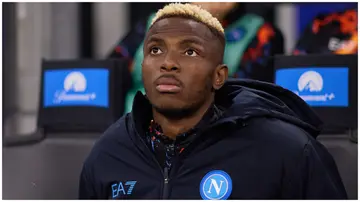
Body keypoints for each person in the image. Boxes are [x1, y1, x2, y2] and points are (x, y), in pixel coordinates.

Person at [79, 3, 347, 199]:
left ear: (220, 77)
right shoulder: (109, 152)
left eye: (190, 51)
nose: (168, 63)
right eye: (156, 50)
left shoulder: (288, 152)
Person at [108, 2, 284, 114]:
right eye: (155, 50)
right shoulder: (152, 24)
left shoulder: (261, 34)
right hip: (135, 133)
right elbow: (107, 75)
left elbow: (248, 99)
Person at [293, 7, 357, 55]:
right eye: (350, 18)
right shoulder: (321, 24)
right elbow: (297, 52)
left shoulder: (355, 36)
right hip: (318, 64)